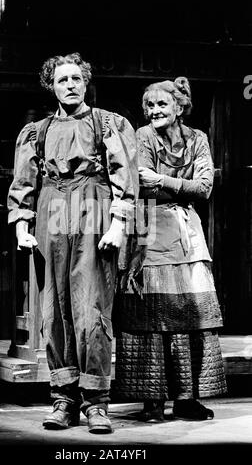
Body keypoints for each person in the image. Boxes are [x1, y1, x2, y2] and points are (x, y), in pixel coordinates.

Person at [7, 53, 138, 433]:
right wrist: (21, 227)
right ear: (52, 85)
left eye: (76, 78)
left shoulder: (107, 124)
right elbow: (23, 184)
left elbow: (124, 176)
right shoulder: (37, 131)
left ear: (85, 82)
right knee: (54, 310)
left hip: (93, 211)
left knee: (92, 309)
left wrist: (118, 224)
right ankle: (63, 398)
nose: (70, 85)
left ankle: (96, 402)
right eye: (62, 79)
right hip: (51, 214)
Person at [114, 77, 227, 421]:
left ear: (179, 108)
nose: (154, 111)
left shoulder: (198, 139)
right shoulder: (142, 136)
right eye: (149, 105)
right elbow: (140, 187)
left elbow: (204, 188)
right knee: (153, 319)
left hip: (189, 239)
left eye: (162, 104)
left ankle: (186, 398)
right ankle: (152, 402)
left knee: (192, 318)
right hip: (151, 237)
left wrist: (163, 181)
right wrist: (180, 188)